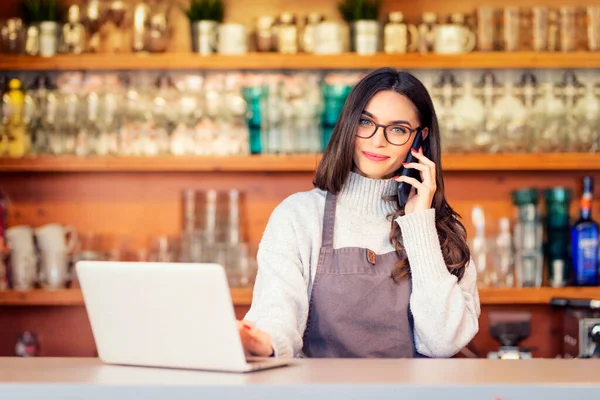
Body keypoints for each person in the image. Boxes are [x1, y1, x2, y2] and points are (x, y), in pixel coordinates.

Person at [237, 67, 480, 359]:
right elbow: (277, 312)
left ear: (420, 140)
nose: (378, 141)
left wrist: (419, 223)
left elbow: (443, 342)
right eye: (366, 122)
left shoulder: (440, 229)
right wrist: (261, 343)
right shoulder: (298, 217)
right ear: (348, 124)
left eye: (398, 129)